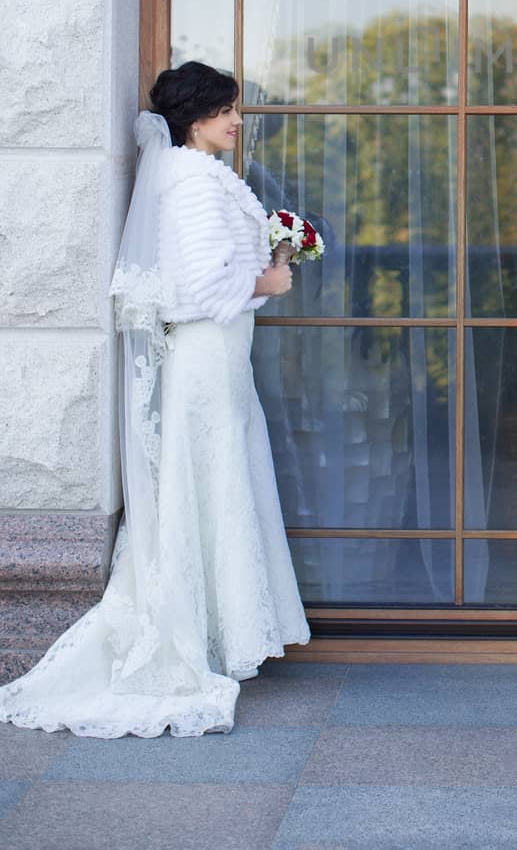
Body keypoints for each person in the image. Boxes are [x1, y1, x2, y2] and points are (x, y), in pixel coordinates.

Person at [0, 62, 310, 737]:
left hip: (219, 360)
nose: (235, 119)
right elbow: (194, 288)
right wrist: (268, 278)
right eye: (225, 108)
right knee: (206, 480)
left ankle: (215, 630)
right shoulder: (192, 183)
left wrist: (268, 259)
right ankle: (196, 635)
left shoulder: (190, 175)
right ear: (194, 115)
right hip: (205, 357)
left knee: (209, 480)